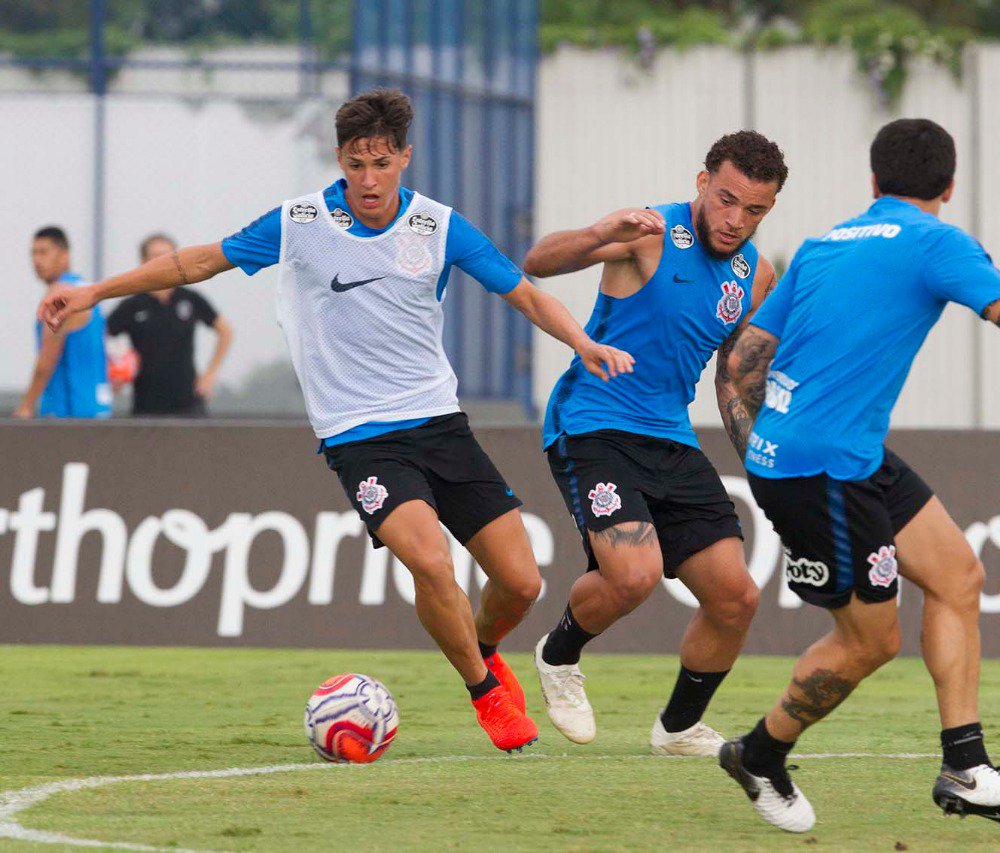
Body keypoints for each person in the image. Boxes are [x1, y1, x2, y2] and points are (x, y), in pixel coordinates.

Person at [39, 87, 633, 754]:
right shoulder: (300, 220)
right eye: (355, 163)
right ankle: (483, 691)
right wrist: (92, 290)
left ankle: (484, 646)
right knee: (431, 561)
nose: (368, 179)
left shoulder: (439, 227)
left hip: (439, 423)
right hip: (359, 436)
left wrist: (581, 342)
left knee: (522, 581)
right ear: (339, 158)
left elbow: (522, 291)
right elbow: (196, 260)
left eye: (381, 162)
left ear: (405, 157)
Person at [717, 118, 1000, 832]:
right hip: (824, 468)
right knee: (871, 640)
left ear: (874, 183)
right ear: (949, 188)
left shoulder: (822, 244)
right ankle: (759, 752)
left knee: (958, 574)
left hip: (834, 454)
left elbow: (744, 362)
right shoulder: (937, 241)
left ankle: (965, 765)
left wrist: (762, 450)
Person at [525, 131, 786, 755]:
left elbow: (732, 377)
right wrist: (595, 234)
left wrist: (761, 456)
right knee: (634, 576)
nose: (735, 220)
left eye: (754, 211)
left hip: (670, 436)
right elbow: (536, 262)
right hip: (594, 421)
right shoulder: (648, 232)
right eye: (726, 200)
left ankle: (678, 727)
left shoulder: (758, 275)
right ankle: (558, 655)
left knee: (736, 597)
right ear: (702, 182)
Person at [106, 233, 234, 416]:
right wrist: (114, 373)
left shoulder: (189, 299)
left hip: (189, 403)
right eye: (156, 256)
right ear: (143, 262)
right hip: (146, 406)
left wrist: (210, 374)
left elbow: (225, 331)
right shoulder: (132, 306)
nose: (163, 261)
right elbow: (101, 337)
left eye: (168, 256)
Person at [15, 226, 110, 419]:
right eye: (33, 253)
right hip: (97, 408)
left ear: (64, 255)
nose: (36, 260)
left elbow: (47, 359)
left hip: (68, 412)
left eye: (44, 252)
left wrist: (26, 405)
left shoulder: (59, 294)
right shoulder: (86, 292)